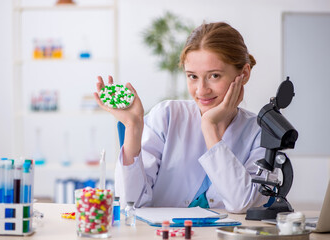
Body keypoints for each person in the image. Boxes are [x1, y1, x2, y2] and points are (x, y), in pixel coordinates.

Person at [94, 22, 270, 213]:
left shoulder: (261, 133)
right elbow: (131, 203)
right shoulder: (167, 116)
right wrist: (133, 126)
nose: (201, 90)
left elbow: (241, 204)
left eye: (214, 76)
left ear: (243, 74)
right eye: (193, 76)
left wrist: (210, 127)